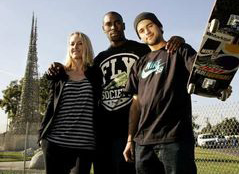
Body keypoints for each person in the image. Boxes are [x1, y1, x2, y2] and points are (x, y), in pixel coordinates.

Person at [47, 11, 185, 174]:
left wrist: (179, 40)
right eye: (108, 24)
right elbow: (77, 72)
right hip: (104, 131)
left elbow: (160, 47)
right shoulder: (98, 60)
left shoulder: (141, 49)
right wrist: (57, 68)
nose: (113, 26)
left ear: (124, 25)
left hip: (134, 129)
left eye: (117, 22)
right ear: (103, 29)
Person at [123, 12, 232, 174]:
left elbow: (201, 74)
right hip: (144, 142)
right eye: (141, 30)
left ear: (160, 27)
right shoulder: (139, 64)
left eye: (150, 26)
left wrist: (219, 84)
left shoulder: (179, 50)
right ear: (140, 38)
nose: (146, 31)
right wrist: (130, 139)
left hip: (175, 139)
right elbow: (135, 104)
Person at [38, 32, 101, 174]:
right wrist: (41, 135)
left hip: (84, 144)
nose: (75, 47)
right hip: (55, 142)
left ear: (87, 47)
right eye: (72, 44)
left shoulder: (95, 73)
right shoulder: (60, 74)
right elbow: (50, 105)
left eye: (80, 43)